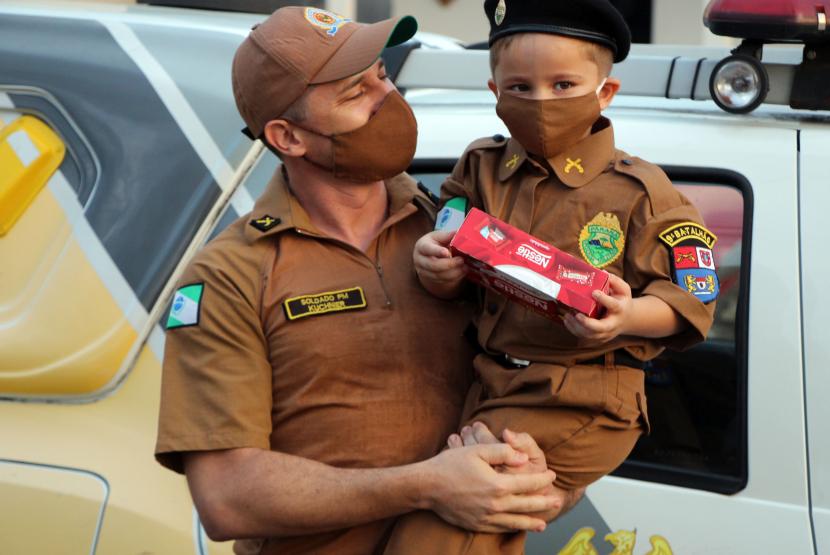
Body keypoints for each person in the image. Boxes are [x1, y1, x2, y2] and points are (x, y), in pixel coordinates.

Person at [154, 6, 568, 554]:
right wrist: (428, 486)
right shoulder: (231, 274)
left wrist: (538, 479)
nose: (385, 99)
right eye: (355, 93)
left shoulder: (458, 231)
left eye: (381, 75)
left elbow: (559, 380)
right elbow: (227, 496)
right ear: (288, 136)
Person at [385, 0, 718, 553]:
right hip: (491, 384)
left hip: (583, 396)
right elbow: (448, 242)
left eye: (564, 85)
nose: (541, 101)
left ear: (605, 92)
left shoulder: (641, 192)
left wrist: (627, 315)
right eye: (520, 87)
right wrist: (435, 265)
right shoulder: (479, 167)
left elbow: (692, 298)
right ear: (494, 93)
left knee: (433, 535)